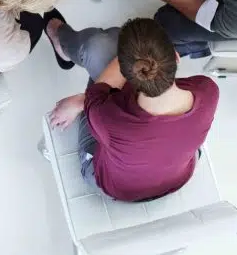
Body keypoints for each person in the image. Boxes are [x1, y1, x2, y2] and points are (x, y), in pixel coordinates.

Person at [46, 17, 219, 202]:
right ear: (176, 57)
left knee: (100, 46)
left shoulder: (108, 116)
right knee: (105, 43)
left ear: (126, 74)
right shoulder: (209, 91)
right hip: (177, 177)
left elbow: (98, 92)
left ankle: (63, 41)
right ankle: (71, 42)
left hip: (116, 186)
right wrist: (82, 101)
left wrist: (81, 101)